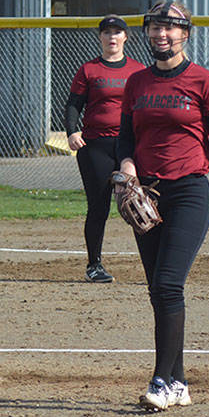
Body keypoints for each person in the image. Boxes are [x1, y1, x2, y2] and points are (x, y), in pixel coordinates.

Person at [117, 0, 209, 411]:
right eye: (155, 27)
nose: (162, 34)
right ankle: (178, 382)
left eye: (170, 28)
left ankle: (160, 381)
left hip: (190, 192)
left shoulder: (204, 81)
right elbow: (126, 139)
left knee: (168, 284)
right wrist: (127, 169)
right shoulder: (137, 83)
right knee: (158, 291)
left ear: (185, 34)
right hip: (147, 195)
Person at [64, 15, 147, 284]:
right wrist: (72, 131)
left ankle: (154, 263)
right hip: (96, 145)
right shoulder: (89, 69)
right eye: (107, 32)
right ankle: (94, 265)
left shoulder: (137, 70)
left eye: (117, 32)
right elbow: (74, 104)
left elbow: (145, 108)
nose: (112, 37)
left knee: (140, 204)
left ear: (126, 37)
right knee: (98, 206)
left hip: (128, 146)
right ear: (100, 37)